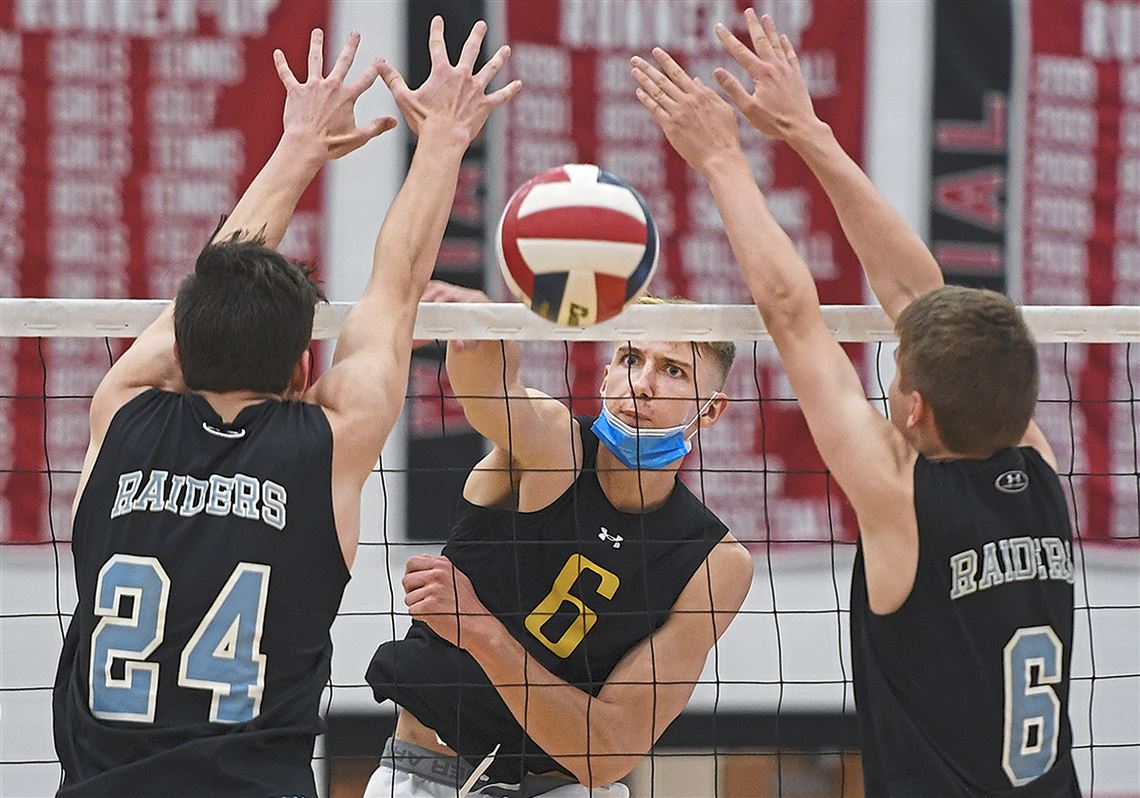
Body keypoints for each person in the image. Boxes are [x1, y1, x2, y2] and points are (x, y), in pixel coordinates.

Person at [51, 18, 519, 797]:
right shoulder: (325, 446)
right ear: (307, 368)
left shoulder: (122, 410)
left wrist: (298, 145)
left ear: (180, 343)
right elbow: (397, 286)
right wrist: (442, 141)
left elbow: (209, 293)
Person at [630, 10, 1079, 796]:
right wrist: (807, 130)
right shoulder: (1038, 470)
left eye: (899, 371)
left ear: (912, 411)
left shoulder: (900, 497)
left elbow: (791, 310)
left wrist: (723, 160)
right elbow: (920, 297)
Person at [363, 283, 754, 797]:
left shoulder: (715, 564)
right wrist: (481, 330)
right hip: (427, 774)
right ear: (609, 369)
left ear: (711, 411)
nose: (642, 384)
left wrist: (481, 631)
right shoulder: (552, 446)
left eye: (673, 370)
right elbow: (492, 393)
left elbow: (608, 753)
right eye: (632, 358)